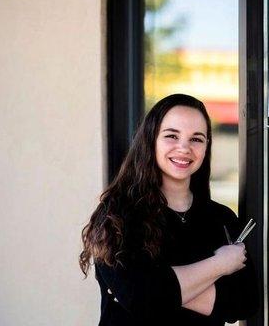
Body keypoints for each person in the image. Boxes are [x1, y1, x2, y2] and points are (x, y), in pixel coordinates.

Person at [79, 94, 258, 326]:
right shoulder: (117, 215)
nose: (184, 148)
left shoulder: (220, 218)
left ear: (206, 148)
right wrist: (220, 265)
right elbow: (144, 300)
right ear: (150, 140)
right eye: (172, 135)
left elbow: (245, 303)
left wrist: (160, 287)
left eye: (197, 139)